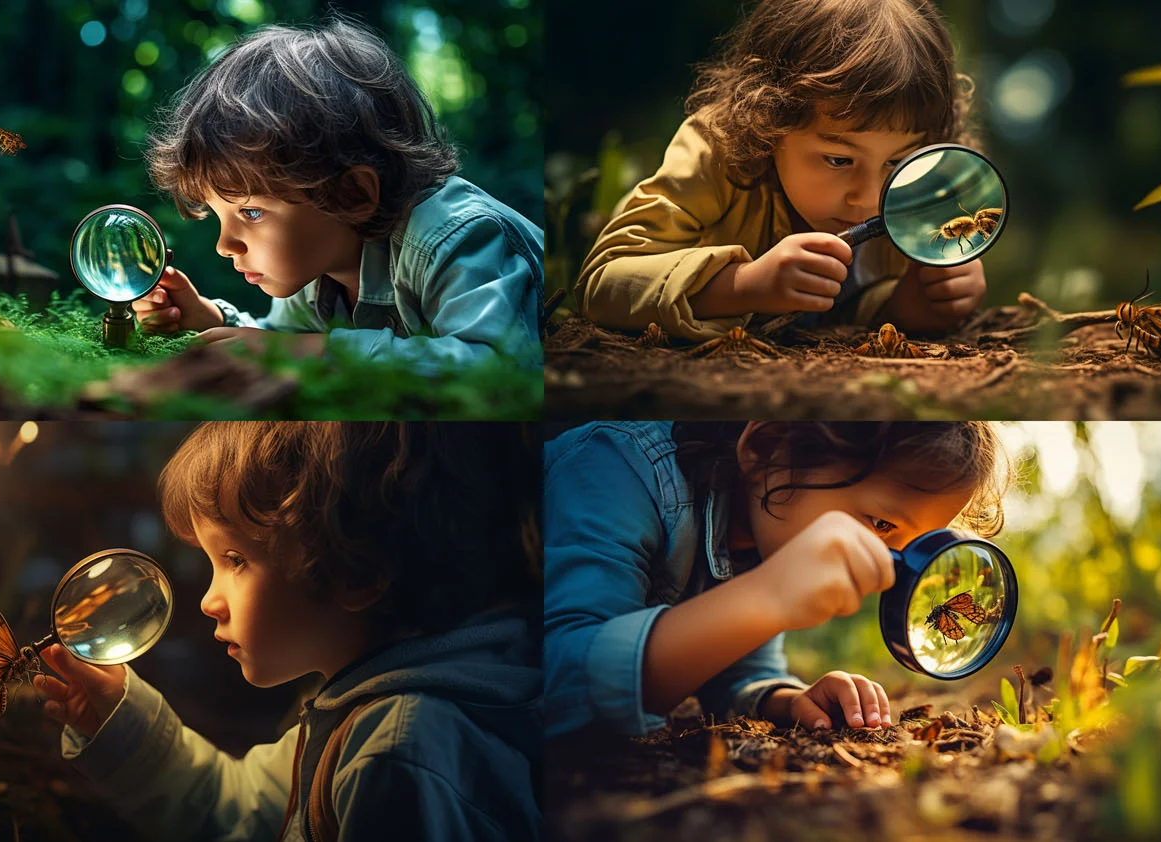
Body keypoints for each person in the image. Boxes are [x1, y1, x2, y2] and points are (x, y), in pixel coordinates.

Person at [37, 422, 542, 841]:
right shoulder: (362, 707)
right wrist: (122, 722)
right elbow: (242, 814)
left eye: (235, 559)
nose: (209, 601)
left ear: (356, 572)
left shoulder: (397, 752)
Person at [543, 421, 1009, 737]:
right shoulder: (616, 471)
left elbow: (740, 674)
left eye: (916, 546)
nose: (889, 570)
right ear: (766, 450)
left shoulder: (768, 531)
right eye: (882, 524)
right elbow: (555, 683)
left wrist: (786, 699)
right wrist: (764, 598)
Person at [132, 19, 543, 371]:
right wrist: (208, 319)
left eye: (252, 213)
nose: (225, 245)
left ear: (352, 195)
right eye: (219, 214)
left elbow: (497, 363)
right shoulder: (316, 261)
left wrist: (315, 353)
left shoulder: (455, 237)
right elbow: (282, 343)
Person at [576, 0, 984, 343]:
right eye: (838, 160)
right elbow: (601, 286)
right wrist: (745, 284)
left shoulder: (912, 198)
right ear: (768, 123)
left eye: (897, 162)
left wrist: (910, 303)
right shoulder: (714, 151)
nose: (869, 196)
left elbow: (846, 311)